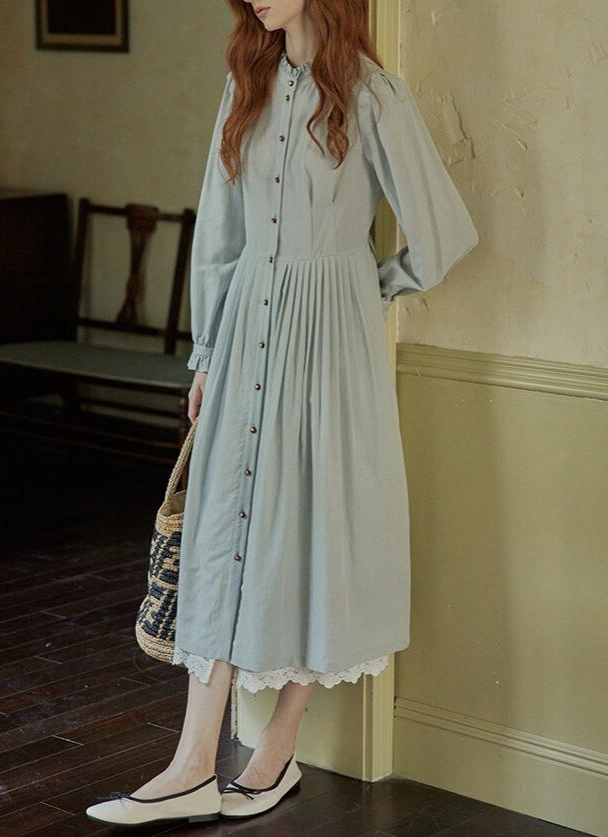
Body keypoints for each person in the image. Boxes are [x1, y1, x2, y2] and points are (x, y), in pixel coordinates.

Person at [86, 0, 478, 827]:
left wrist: (363, 288)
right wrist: (204, 354)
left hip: (329, 351)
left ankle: (276, 750)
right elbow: (219, 232)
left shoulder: (372, 95)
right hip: (240, 343)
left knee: (317, 534)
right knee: (220, 533)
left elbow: (442, 231)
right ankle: (192, 763)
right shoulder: (247, 85)